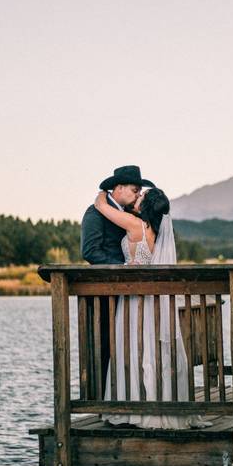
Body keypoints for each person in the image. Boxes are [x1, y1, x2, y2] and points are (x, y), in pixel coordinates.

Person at [92, 185, 210, 429]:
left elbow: (101, 207)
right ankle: (161, 403)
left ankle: (134, 406)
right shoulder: (157, 232)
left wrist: (105, 191)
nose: (138, 197)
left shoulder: (136, 226)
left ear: (146, 206)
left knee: (133, 349)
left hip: (135, 300)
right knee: (152, 351)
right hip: (155, 301)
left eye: (141, 196)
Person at [80, 166, 154, 387]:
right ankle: (102, 397)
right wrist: (121, 267)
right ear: (119, 188)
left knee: (127, 345)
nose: (137, 195)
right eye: (134, 190)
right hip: (105, 290)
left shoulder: (131, 214)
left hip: (129, 292)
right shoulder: (94, 213)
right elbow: (90, 251)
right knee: (104, 345)